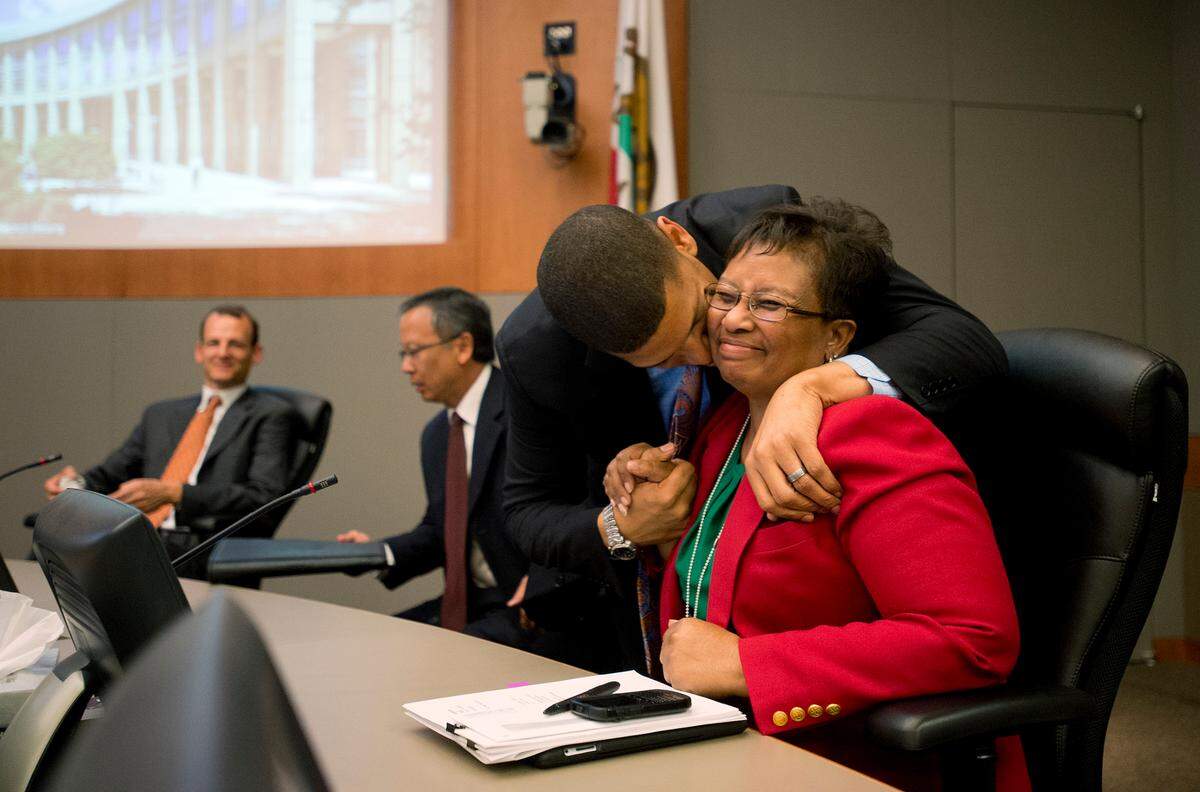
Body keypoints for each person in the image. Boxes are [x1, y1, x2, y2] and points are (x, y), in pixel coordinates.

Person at [495, 185, 1006, 672]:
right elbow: (525, 510)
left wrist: (808, 389)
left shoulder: (770, 238)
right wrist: (623, 522)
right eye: (668, 361)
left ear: (679, 240)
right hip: (665, 641)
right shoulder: (538, 351)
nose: (709, 353)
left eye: (702, 316)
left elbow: (960, 340)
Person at [650, 204, 1023, 790]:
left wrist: (745, 665)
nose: (733, 321)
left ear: (837, 337)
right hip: (723, 750)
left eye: (769, 305)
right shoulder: (722, 428)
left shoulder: (874, 433)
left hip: (844, 763)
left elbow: (972, 640)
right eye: (725, 296)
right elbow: (710, 580)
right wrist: (643, 505)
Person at [337, 289, 564, 656]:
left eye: (413, 352)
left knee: (424, 658)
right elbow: (441, 528)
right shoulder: (438, 433)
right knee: (365, 644)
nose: (405, 367)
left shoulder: (522, 407)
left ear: (461, 346)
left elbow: (565, 504)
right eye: (403, 354)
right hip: (471, 605)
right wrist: (378, 553)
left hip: (532, 607)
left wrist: (544, 583)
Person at [43, 305, 298, 576]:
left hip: (202, 548)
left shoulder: (271, 415)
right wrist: (73, 485)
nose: (222, 353)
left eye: (235, 344)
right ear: (199, 351)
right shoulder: (161, 414)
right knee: (50, 554)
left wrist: (176, 494)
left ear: (255, 353)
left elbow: (264, 497)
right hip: (137, 538)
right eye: (214, 343)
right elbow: (110, 473)